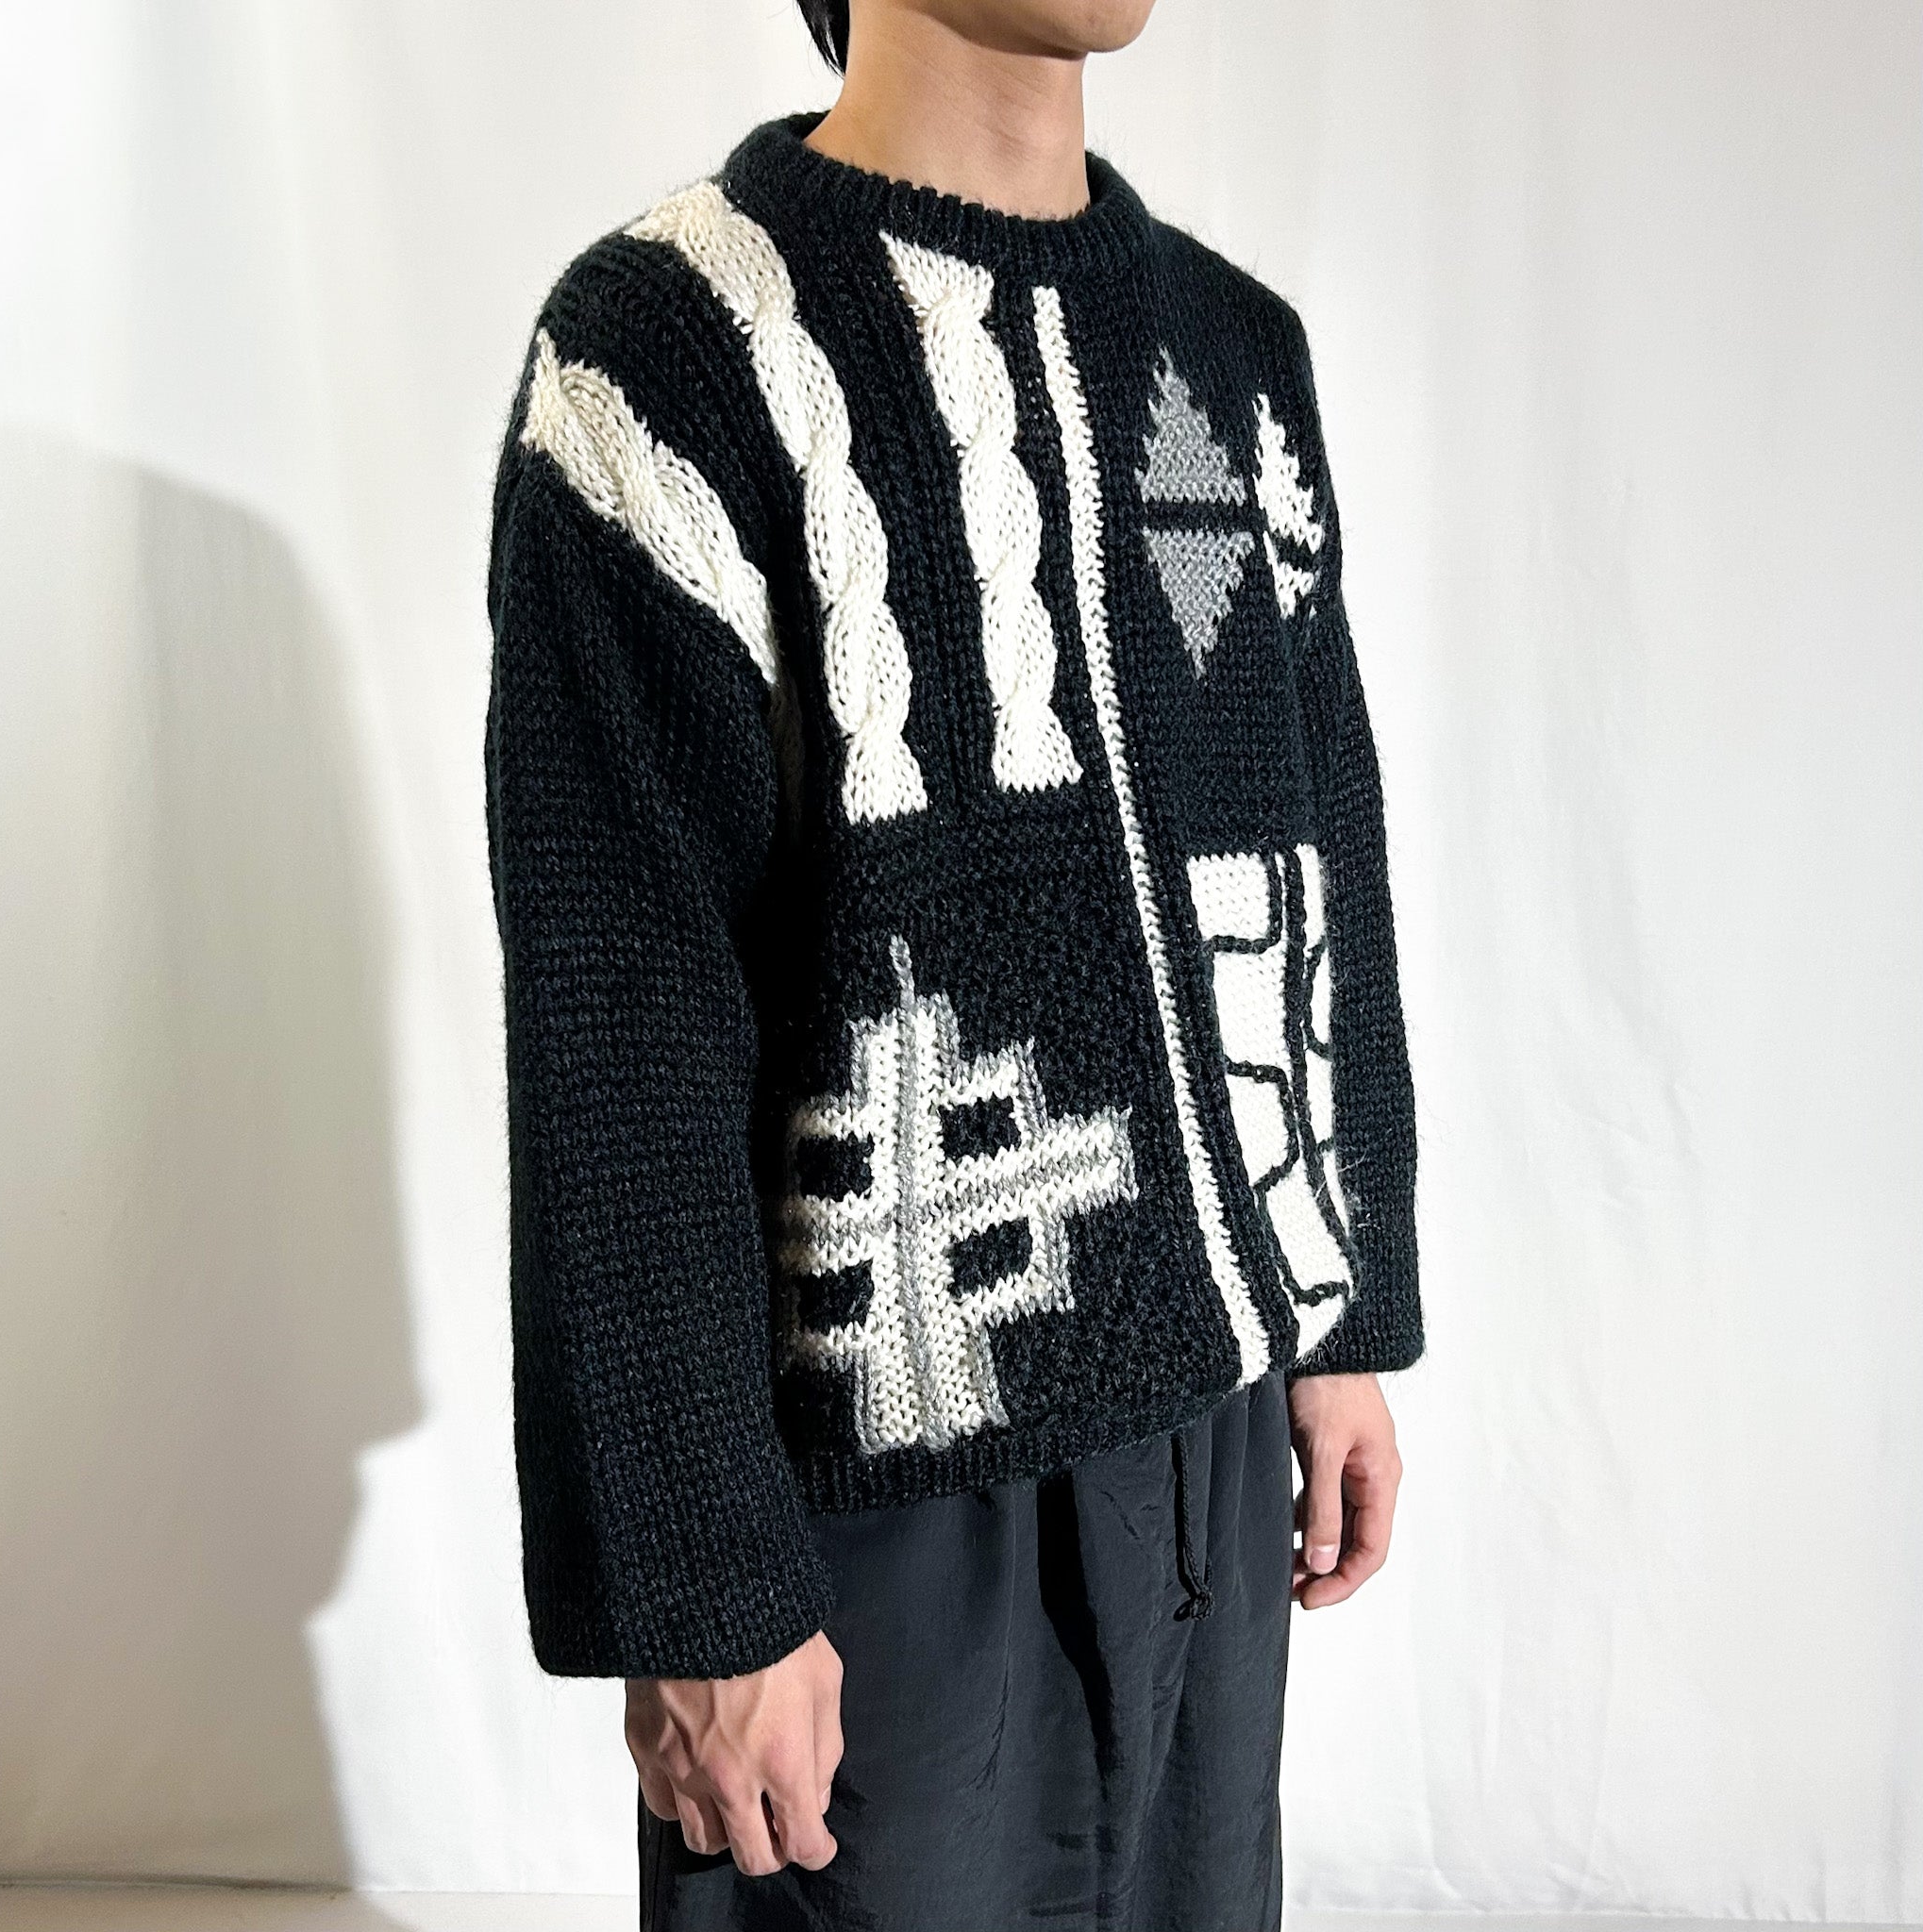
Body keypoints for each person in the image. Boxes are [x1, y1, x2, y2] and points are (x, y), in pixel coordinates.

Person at [483, 0, 1422, 1924]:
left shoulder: (1236, 353)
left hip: (1213, 1427)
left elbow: (1322, 836)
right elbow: (620, 1016)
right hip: (875, 1487)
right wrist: (698, 1581)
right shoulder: (668, 353)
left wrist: (1343, 1314)